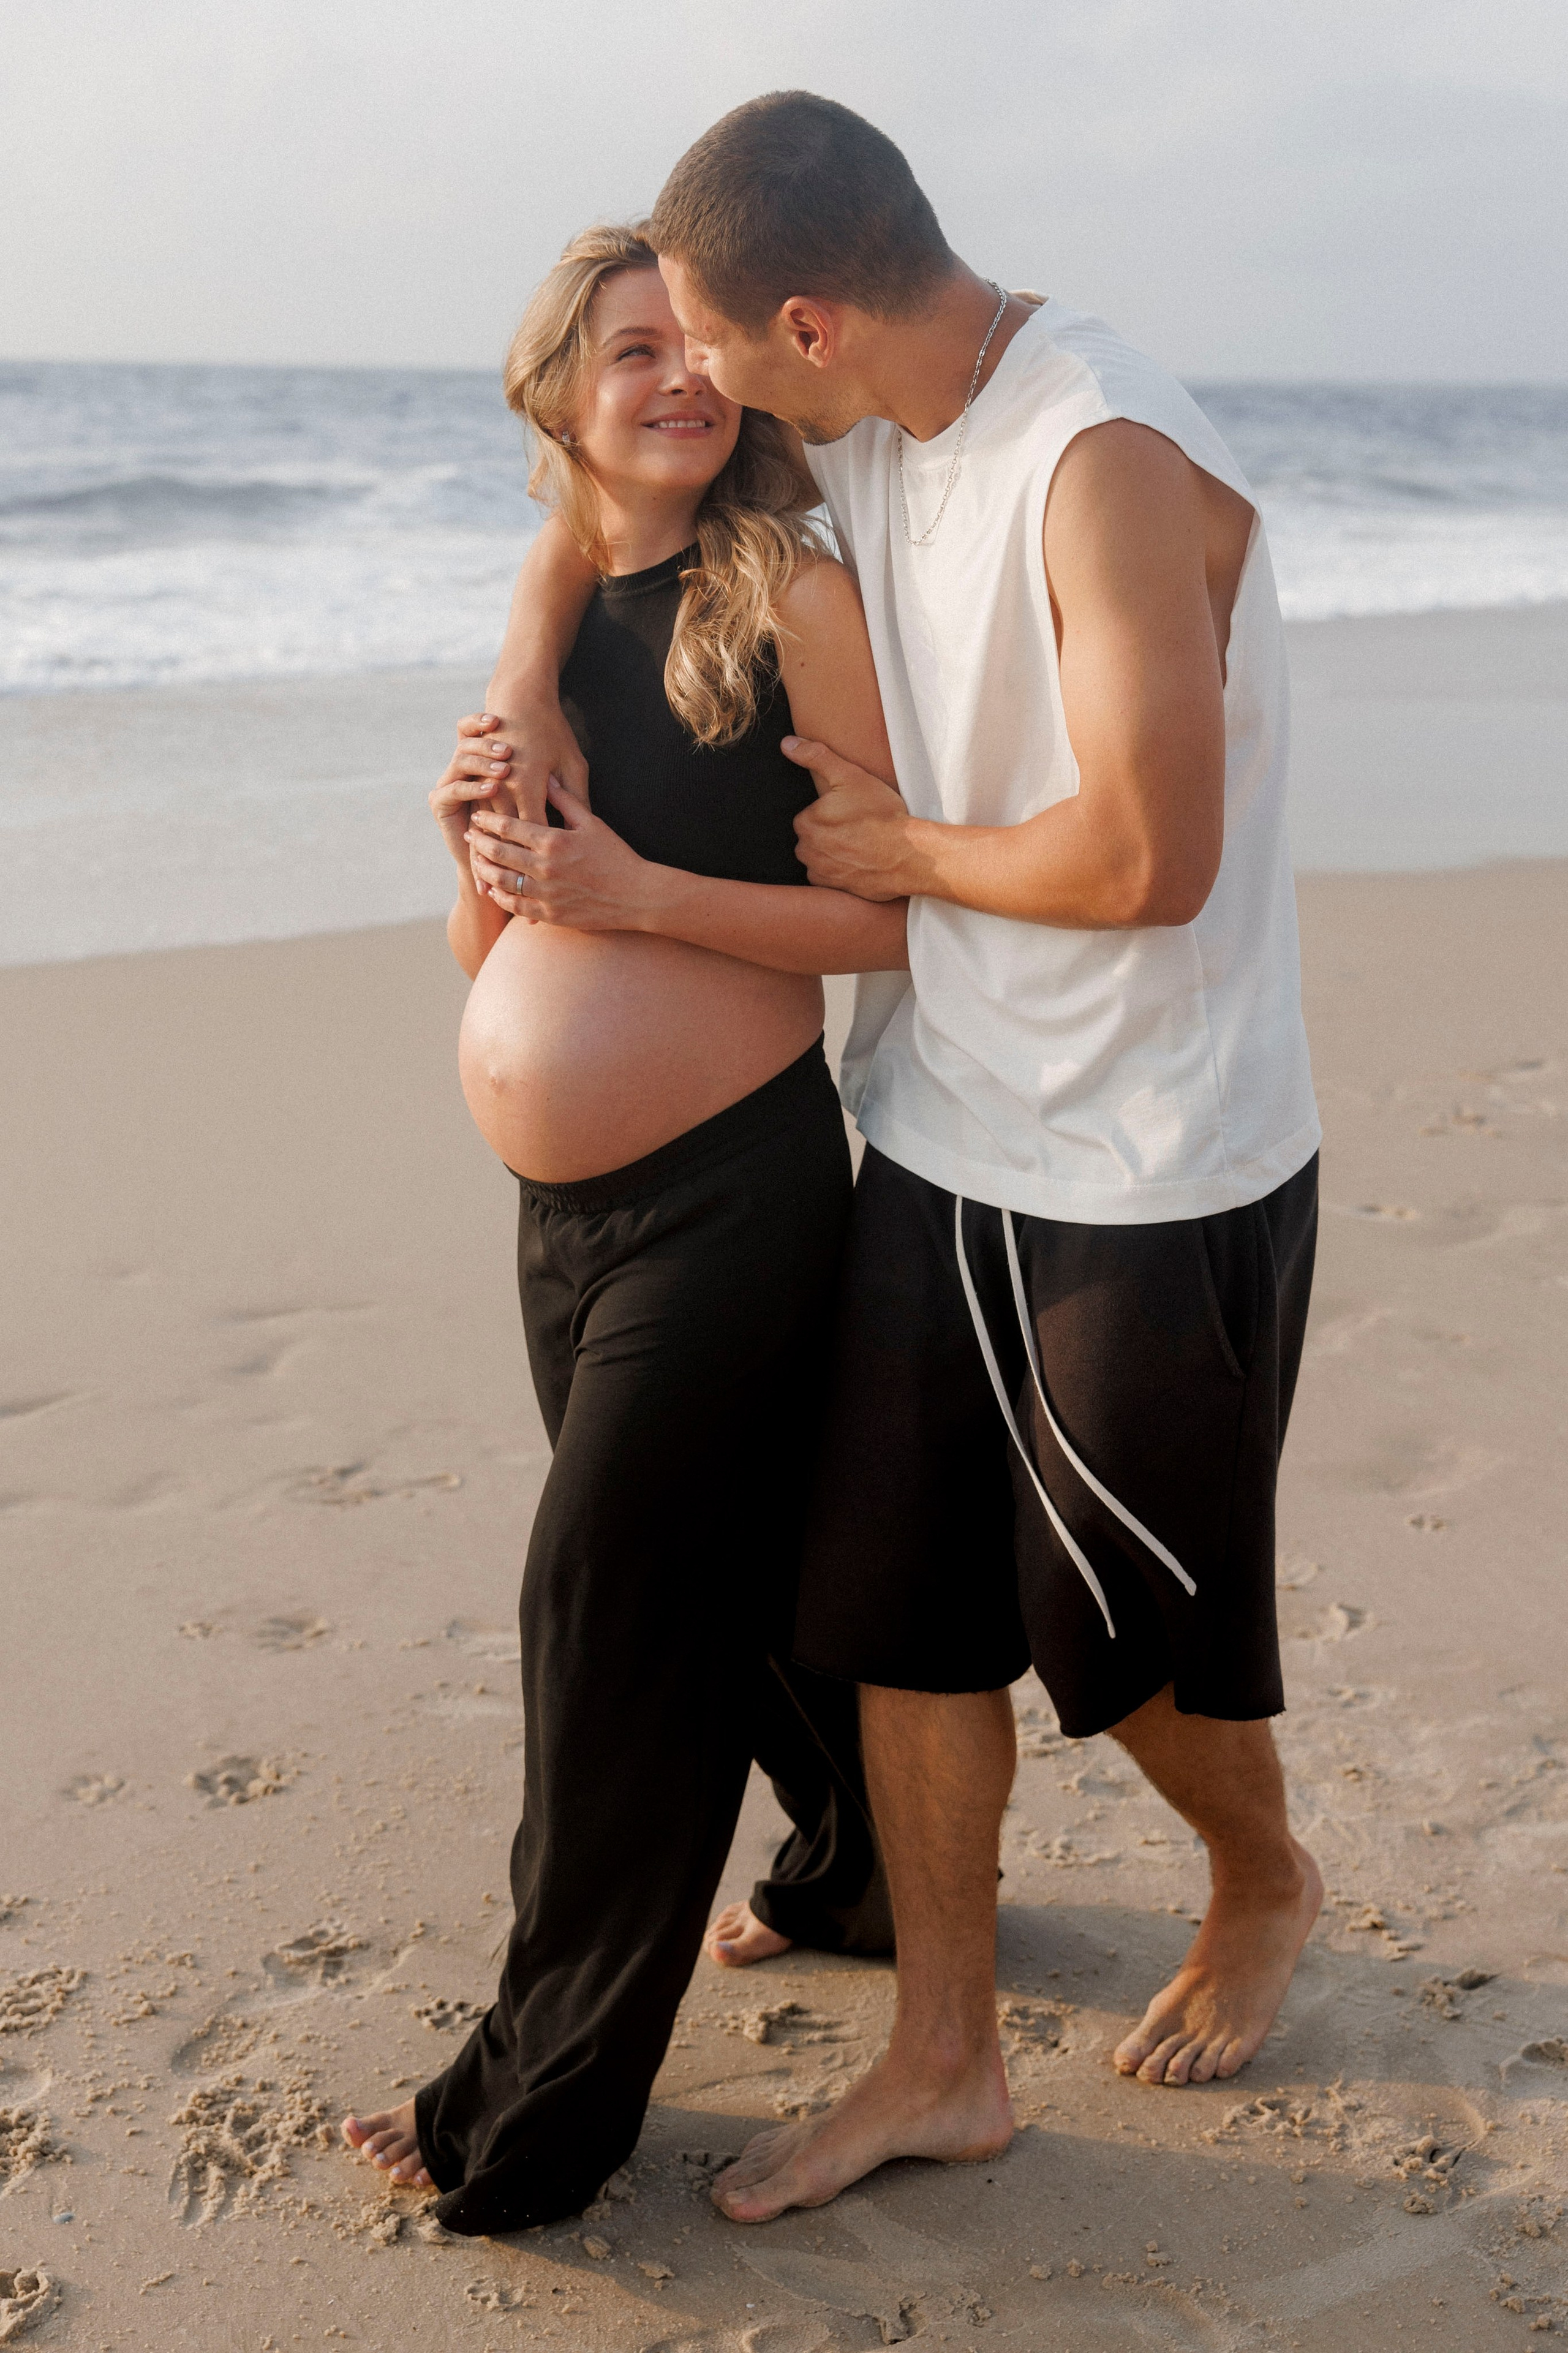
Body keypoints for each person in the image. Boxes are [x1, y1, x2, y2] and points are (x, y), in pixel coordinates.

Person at [478, 94, 1325, 2226]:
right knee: (897, 1609)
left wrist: (906, 853)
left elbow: (1148, 856)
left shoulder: (1102, 453)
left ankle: (1260, 1869)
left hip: (1153, 1151)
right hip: (939, 1120)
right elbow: (605, 497)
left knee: (1122, 1633)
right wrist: (523, 674)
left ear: (809, 323)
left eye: (717, 340)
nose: (707, 380)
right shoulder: (871, 425)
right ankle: (947, 2056)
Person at [341, 219, 905, 2234]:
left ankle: (537, 2102)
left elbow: (891, 916)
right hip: (560, 1217)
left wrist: (640, 901)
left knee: (600, 1603)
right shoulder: (558, 600)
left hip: (733, 1192)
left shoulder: (795, 599)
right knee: (725, 1585)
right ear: (561, 395)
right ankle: (861, 1867)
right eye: (628, 349)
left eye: (694, 344)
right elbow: (498, 946)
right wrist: (470, 860)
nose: (676, 377)